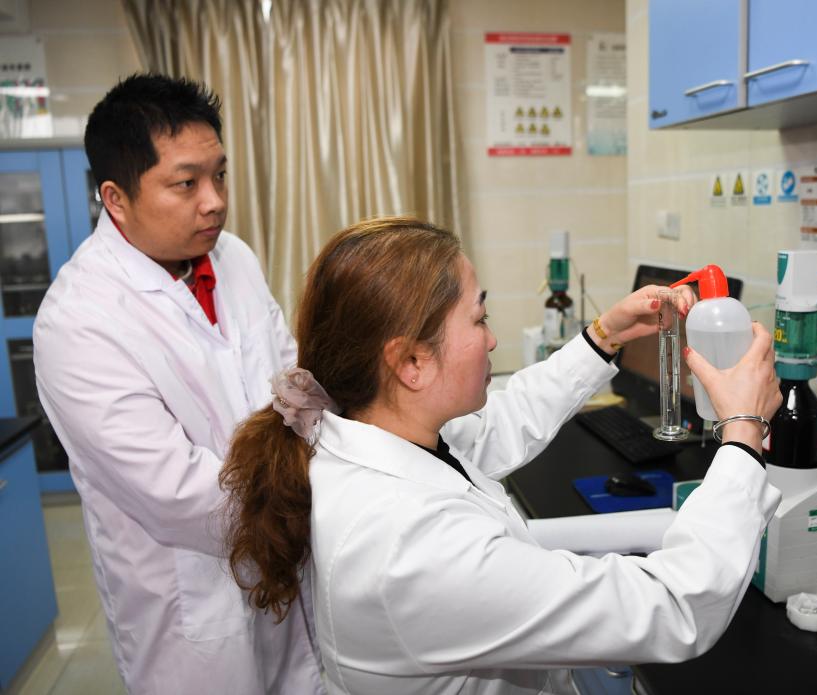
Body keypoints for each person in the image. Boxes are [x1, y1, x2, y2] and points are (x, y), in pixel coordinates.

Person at [220, 217, 783, 695]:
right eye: (479, 318)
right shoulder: (411, 546)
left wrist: (605, 335)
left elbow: (499, 426)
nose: (492, 339)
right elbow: (675, 605)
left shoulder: (374, 437)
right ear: (410, 362)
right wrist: (743, 431)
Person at [33, 74, 324, 694]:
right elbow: (175, 492)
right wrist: (324, 496)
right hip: (193, 609)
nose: (214, 201)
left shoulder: (234, 259)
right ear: (116, 198)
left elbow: (292, 384)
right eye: (186, 183)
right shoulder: (78, 320)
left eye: (220, 175)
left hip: (288, 569)